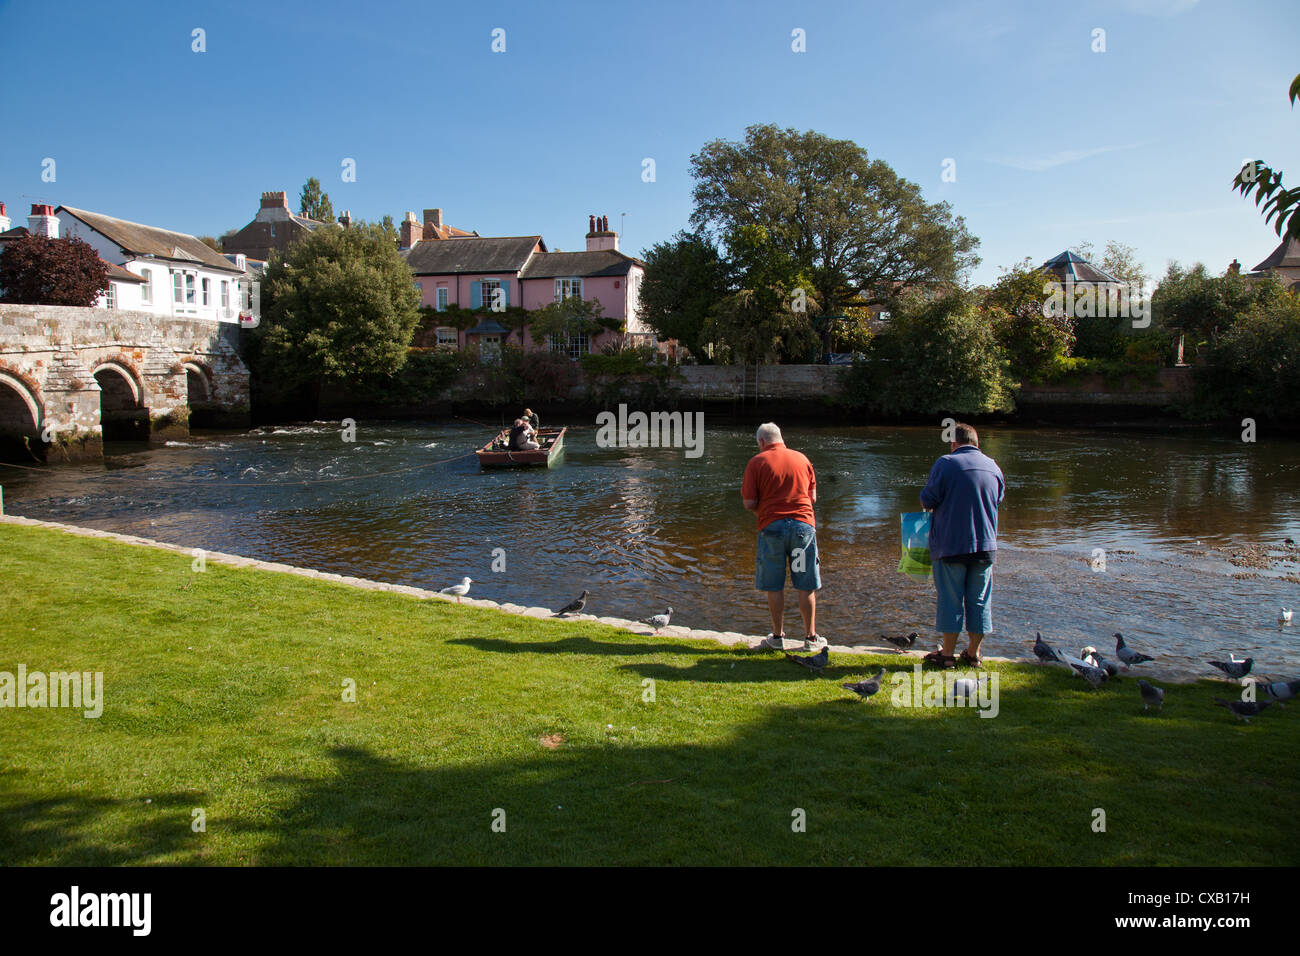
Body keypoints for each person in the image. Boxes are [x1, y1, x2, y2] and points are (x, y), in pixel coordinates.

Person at [919, 422, 1005, 669]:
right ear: (977, 444)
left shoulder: (946, 463)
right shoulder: (994, 466)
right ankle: (974, 654)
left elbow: (928, 498)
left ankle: (947, 655)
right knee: (979, 601)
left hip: (951, 545)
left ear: (954, 444)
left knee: (950, 599)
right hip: (986, 546)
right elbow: (998, 499)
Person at [741, 422, 824, 651]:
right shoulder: (803, 459)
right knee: (804, 584)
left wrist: (768, 514)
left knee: (775, 585)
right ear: (781, 438)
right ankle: (811, 638)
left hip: (772, 531)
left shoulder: (756, 462)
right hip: (802, 531)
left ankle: (777, 637)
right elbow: (812, 498)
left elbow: (749, 503)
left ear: (761, 442)